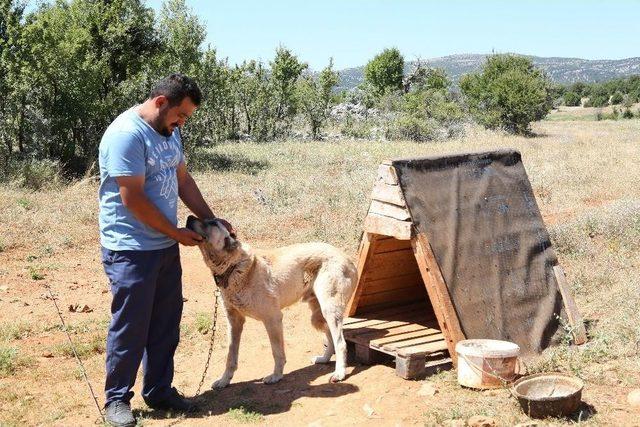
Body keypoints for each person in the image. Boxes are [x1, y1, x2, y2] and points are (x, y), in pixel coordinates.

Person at [98, 73, 231, 427]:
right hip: (130, 248)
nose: (182, 122)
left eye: (186, 117)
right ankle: (116, 401)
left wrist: (211, 219)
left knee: (165, 324)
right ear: (160, 102)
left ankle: (159, 391)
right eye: (180, 115)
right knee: (131, 326)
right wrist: (174, 231)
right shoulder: (126, 135)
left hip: (163, 246)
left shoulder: (171, 132)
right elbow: (132, 199)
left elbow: (182, 179)